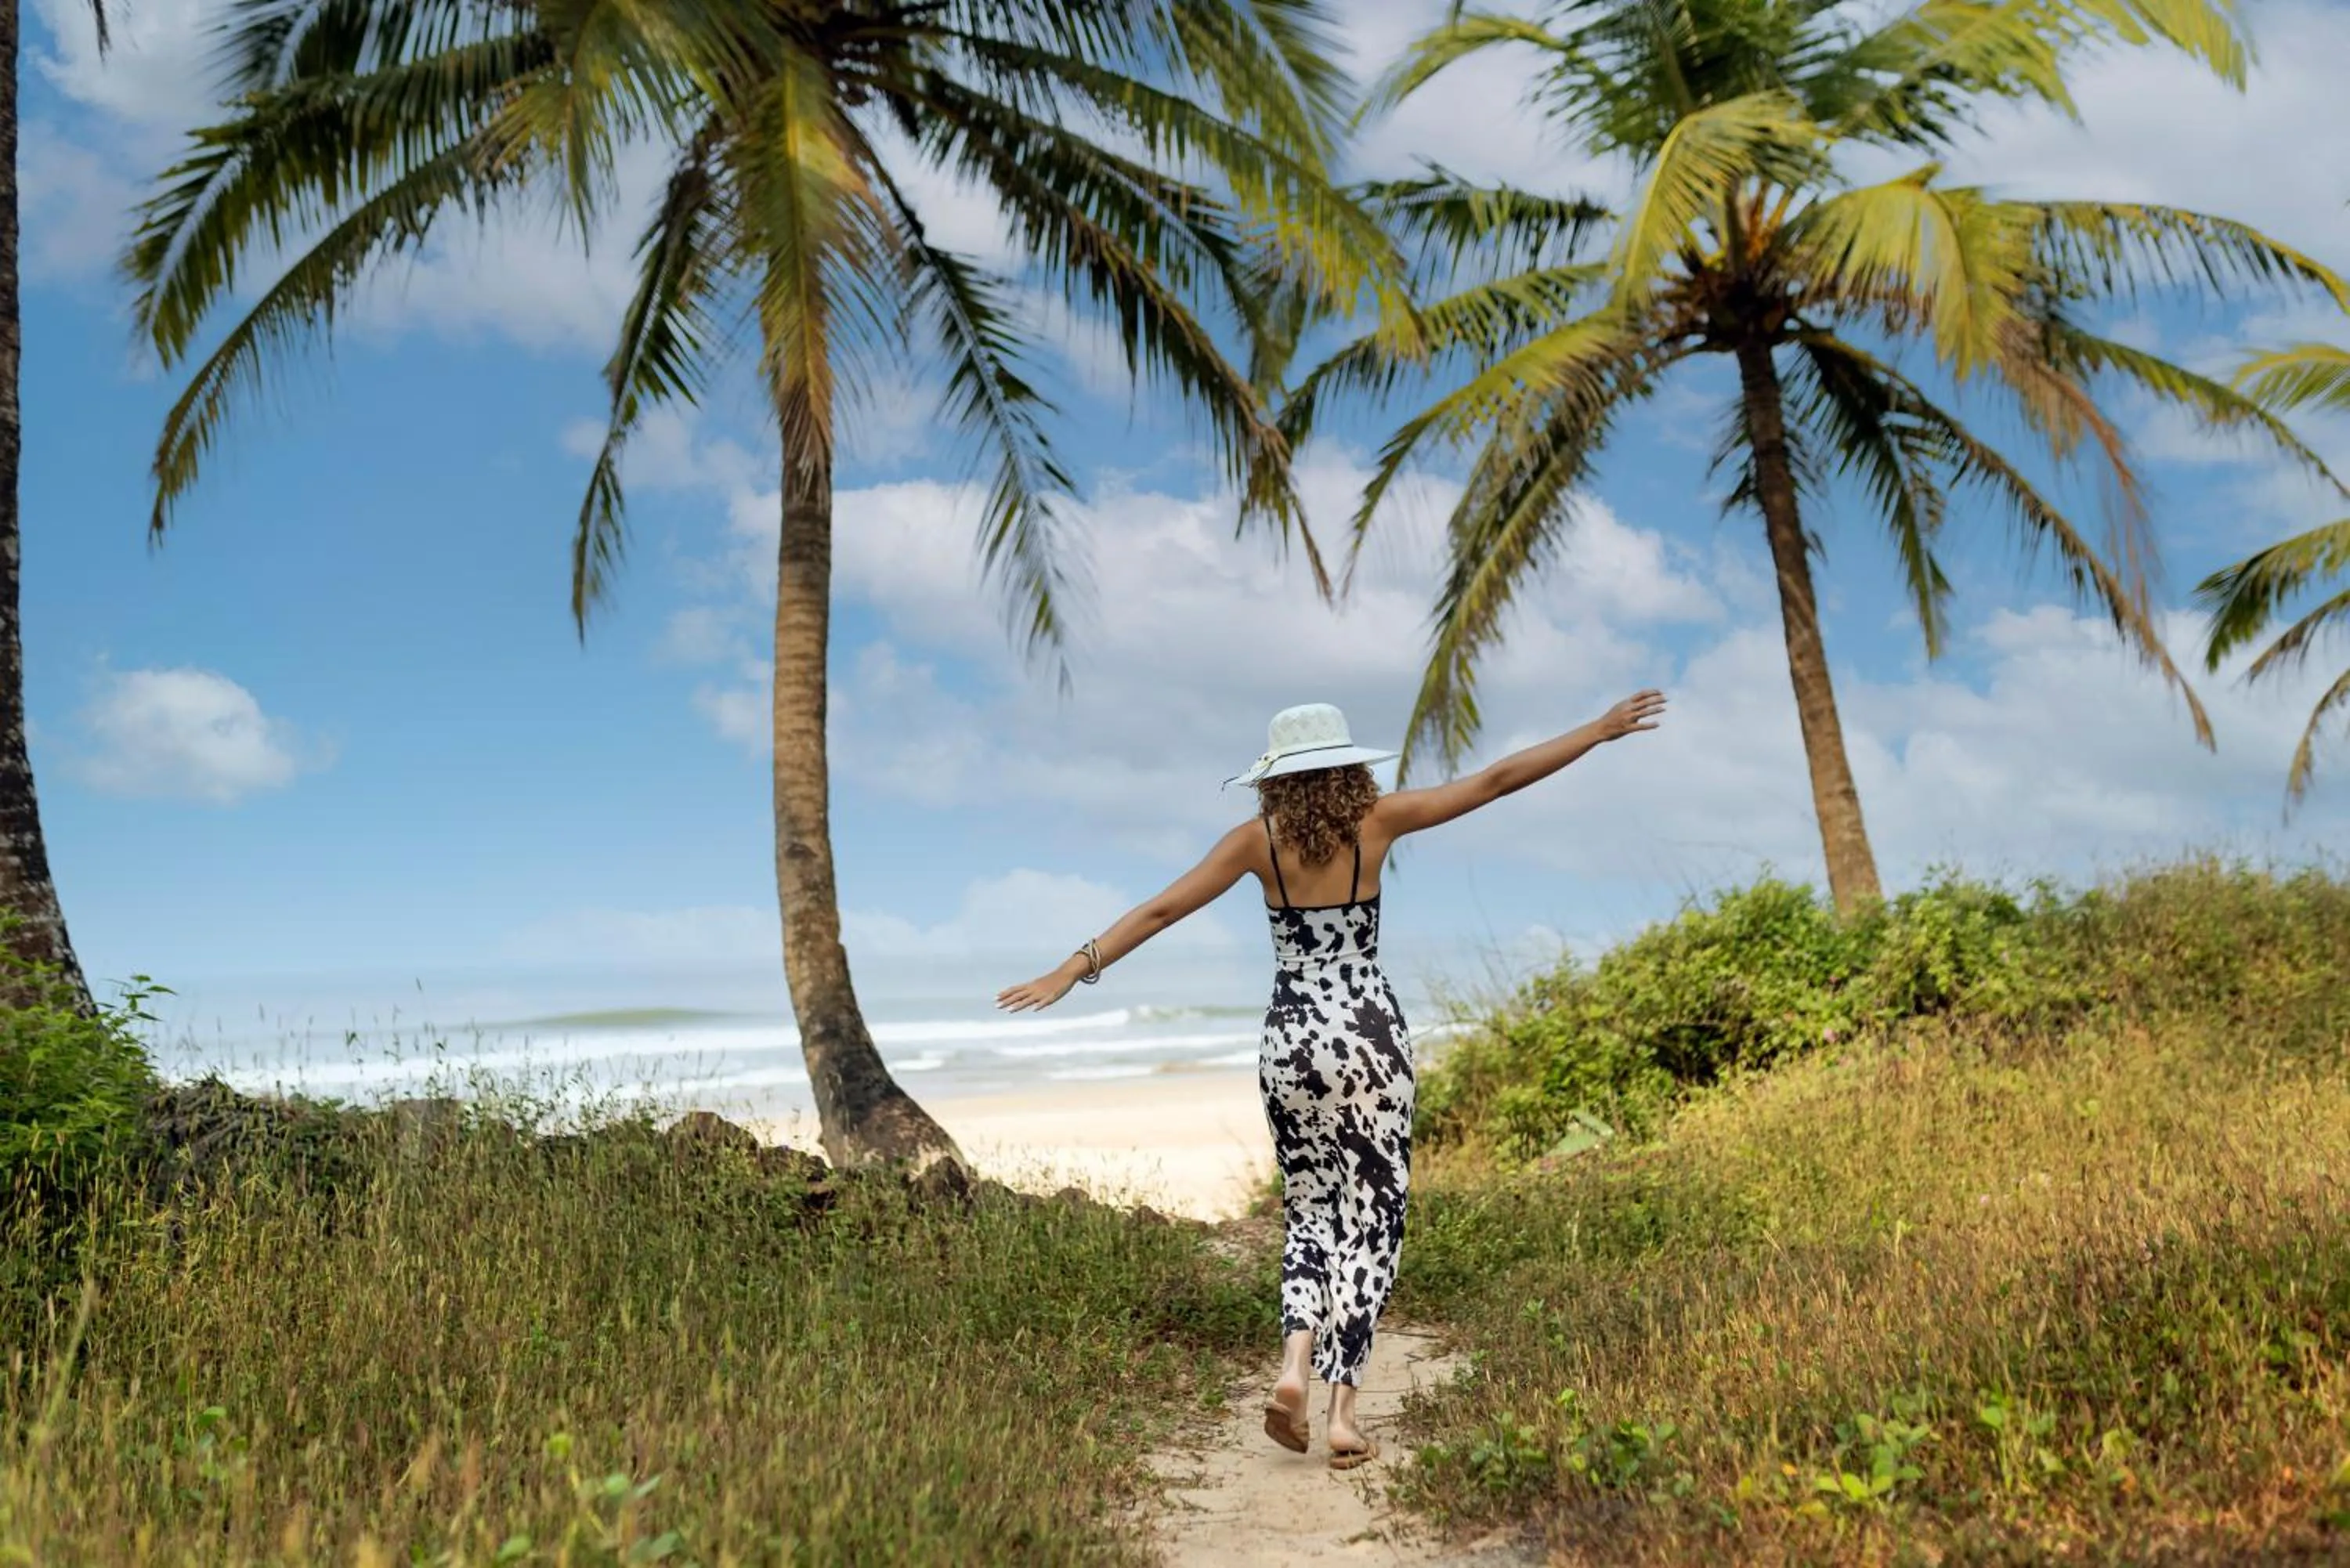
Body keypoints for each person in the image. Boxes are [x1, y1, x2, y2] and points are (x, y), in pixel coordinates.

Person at [996, 690, 1667, 1467]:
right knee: (1372, 1217)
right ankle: (1343, 1410)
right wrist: (1597, 729)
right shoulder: (1376, 824)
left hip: (1291, 1041)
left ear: (1275, 778)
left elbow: (1159, 911)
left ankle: (1291, 1369)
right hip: (1370, 1035)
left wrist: (1069, 970)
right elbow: (1494, 781)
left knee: (1311, 1209)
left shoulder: (1256, 843)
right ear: (1348, 767)